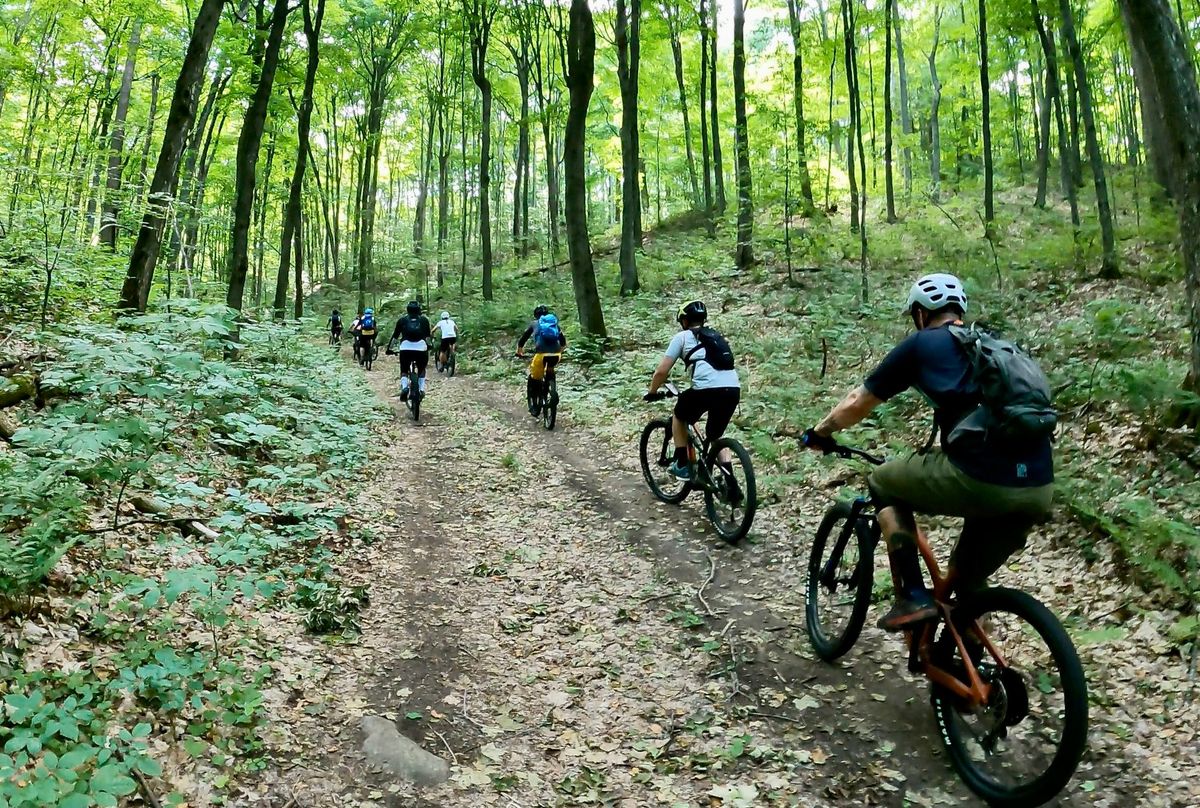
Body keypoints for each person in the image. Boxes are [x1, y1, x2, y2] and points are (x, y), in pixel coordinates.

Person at [803, 273, 1054, 632]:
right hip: (1039, 486)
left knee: (882, 482)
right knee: (967, 583)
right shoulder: (993, 347)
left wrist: (820, 432)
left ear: (920, 314)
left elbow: (858, 402)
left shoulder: (922, 344)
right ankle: (980, 678)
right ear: (959, 310)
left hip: (980, 476)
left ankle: (913, 595)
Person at [644, 301, 741, 488]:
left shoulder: (682, 337)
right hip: (732, 389)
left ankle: (682, 464)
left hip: (706, 390)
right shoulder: (716, 337)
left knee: (679, 415)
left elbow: (661, 372)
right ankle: (731, 484)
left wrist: (652, 391)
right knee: (715, 435)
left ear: (684, 321)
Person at [516, 305, 566, 413]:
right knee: (550, 368)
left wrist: (519, 350)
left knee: (534, 377)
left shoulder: (534, 324)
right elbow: (563, 342)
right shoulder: (554, 325)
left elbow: (524, 337)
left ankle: (534, 403)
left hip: (541, 354)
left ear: (535, 316)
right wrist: (559, 352)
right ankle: (552, 387)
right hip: (556, 355)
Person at [391, 301, 432, 401]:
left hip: (405, 348)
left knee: (404, 370)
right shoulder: (424, 320)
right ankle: (421, 389)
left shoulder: (402, 320)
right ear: (419, 310)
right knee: (421, 369)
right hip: (421, 348)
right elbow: (428, 337)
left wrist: (390, 348)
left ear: (407, 310)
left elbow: (395, 337)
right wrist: (430, 346)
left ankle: (405, 387)